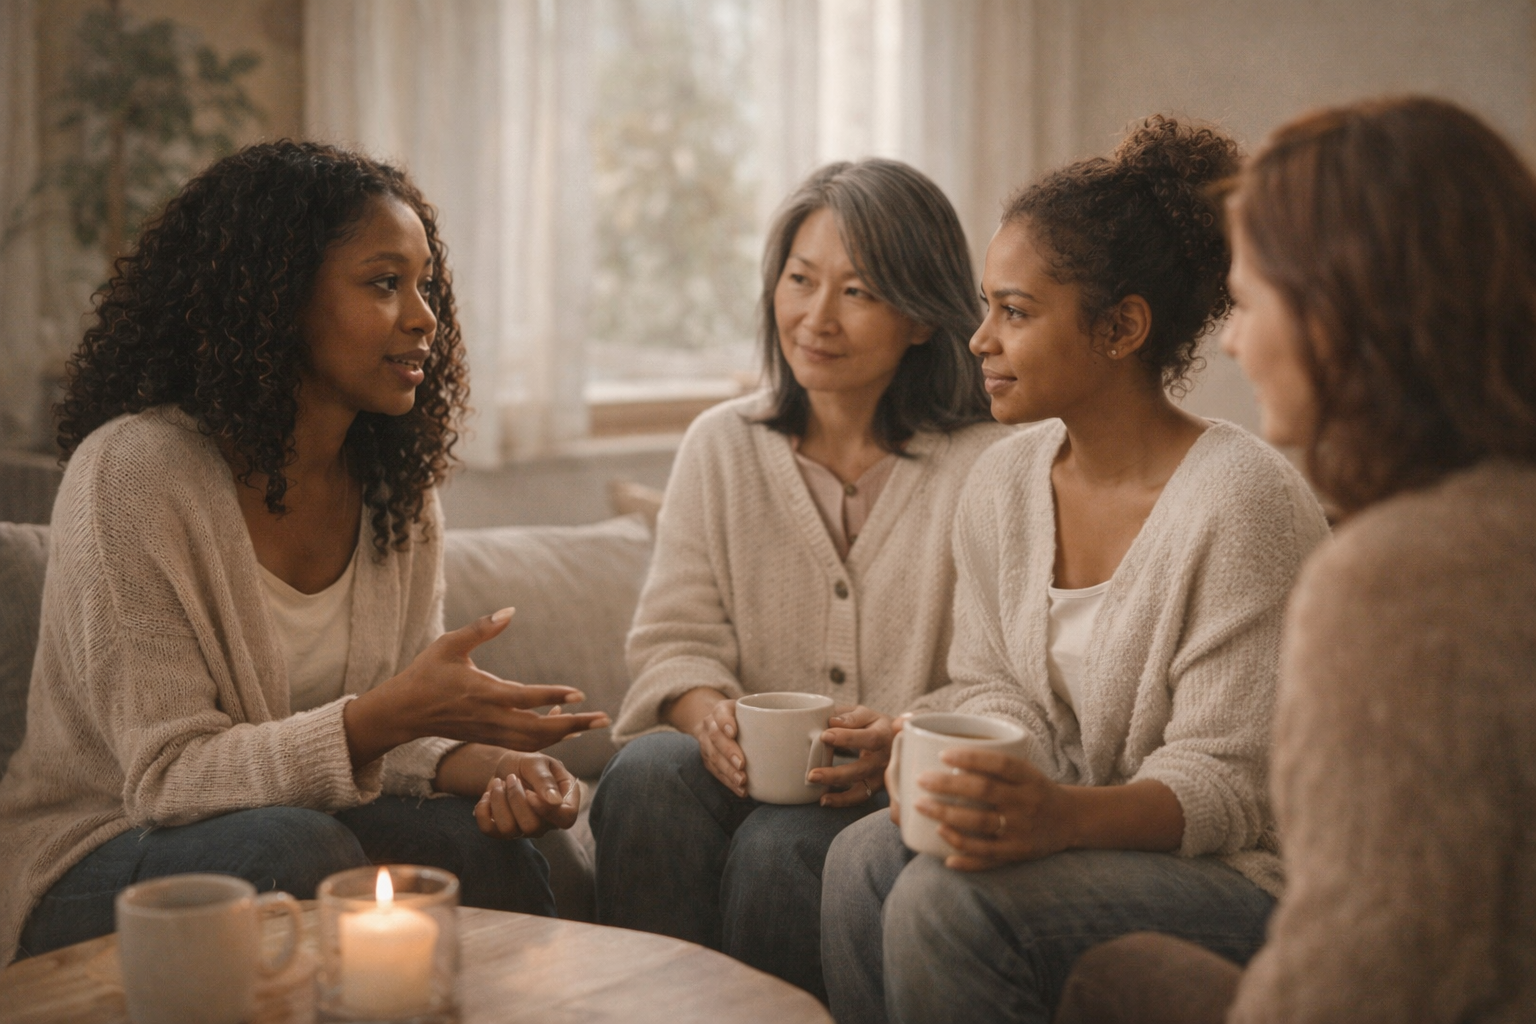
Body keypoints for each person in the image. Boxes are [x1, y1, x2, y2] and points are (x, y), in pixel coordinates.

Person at [0, 141, 610, 966]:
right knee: (295, 851)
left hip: (294, 823)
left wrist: (488, 764)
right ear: (278, 300)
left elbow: (372, 751)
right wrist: (393, 714)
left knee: (474, 845)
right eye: (384, 282)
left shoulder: (397, 495)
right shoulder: (132, 475)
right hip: (98, 849)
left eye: (425, 284)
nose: (425, 315)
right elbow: (169, 779)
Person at [818, 116, 1332, 1024]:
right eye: (986, 306)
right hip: (1084, 840)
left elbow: (1229, 786)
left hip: (1240, 877)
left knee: (950, 902)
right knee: (859, 858)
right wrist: (933, 750)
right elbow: (1000, 690)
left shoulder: (1241, 500)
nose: (978, 339)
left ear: (1121, 327)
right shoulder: (1005, 481)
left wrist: (1057, 817)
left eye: (1014, 311)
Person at [1055, 97, 1536, 1024]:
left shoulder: (1396, 581)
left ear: (1345, 311)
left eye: (1254, 300)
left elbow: (1360, 968)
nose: (1232, 339)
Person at [590, 158, 1011, 1000]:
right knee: (643, 776)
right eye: (799, 280)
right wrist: (704, 711)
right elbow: (673, 640)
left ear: (923, 318)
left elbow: (997, 678)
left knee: (780, 848)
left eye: (857, 292)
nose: (816, 318)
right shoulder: (720, 444)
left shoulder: (990, 467)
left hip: (885, 790)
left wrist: (897, 729)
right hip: (736, 779)